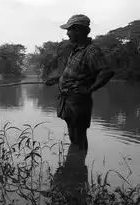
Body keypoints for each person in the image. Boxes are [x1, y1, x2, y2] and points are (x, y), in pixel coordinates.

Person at [45, 14, 115, 150]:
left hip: (78, 101)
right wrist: (57, 79)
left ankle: (79, 165)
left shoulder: (91, 51)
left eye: (69, 30)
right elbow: (76, 74)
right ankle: (76, 164)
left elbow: (107, 72)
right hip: (68, 99)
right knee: (73, 134)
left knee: (79, 135)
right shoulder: (77, 50)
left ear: (77, 30)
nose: (67, 33)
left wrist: (89, 89)